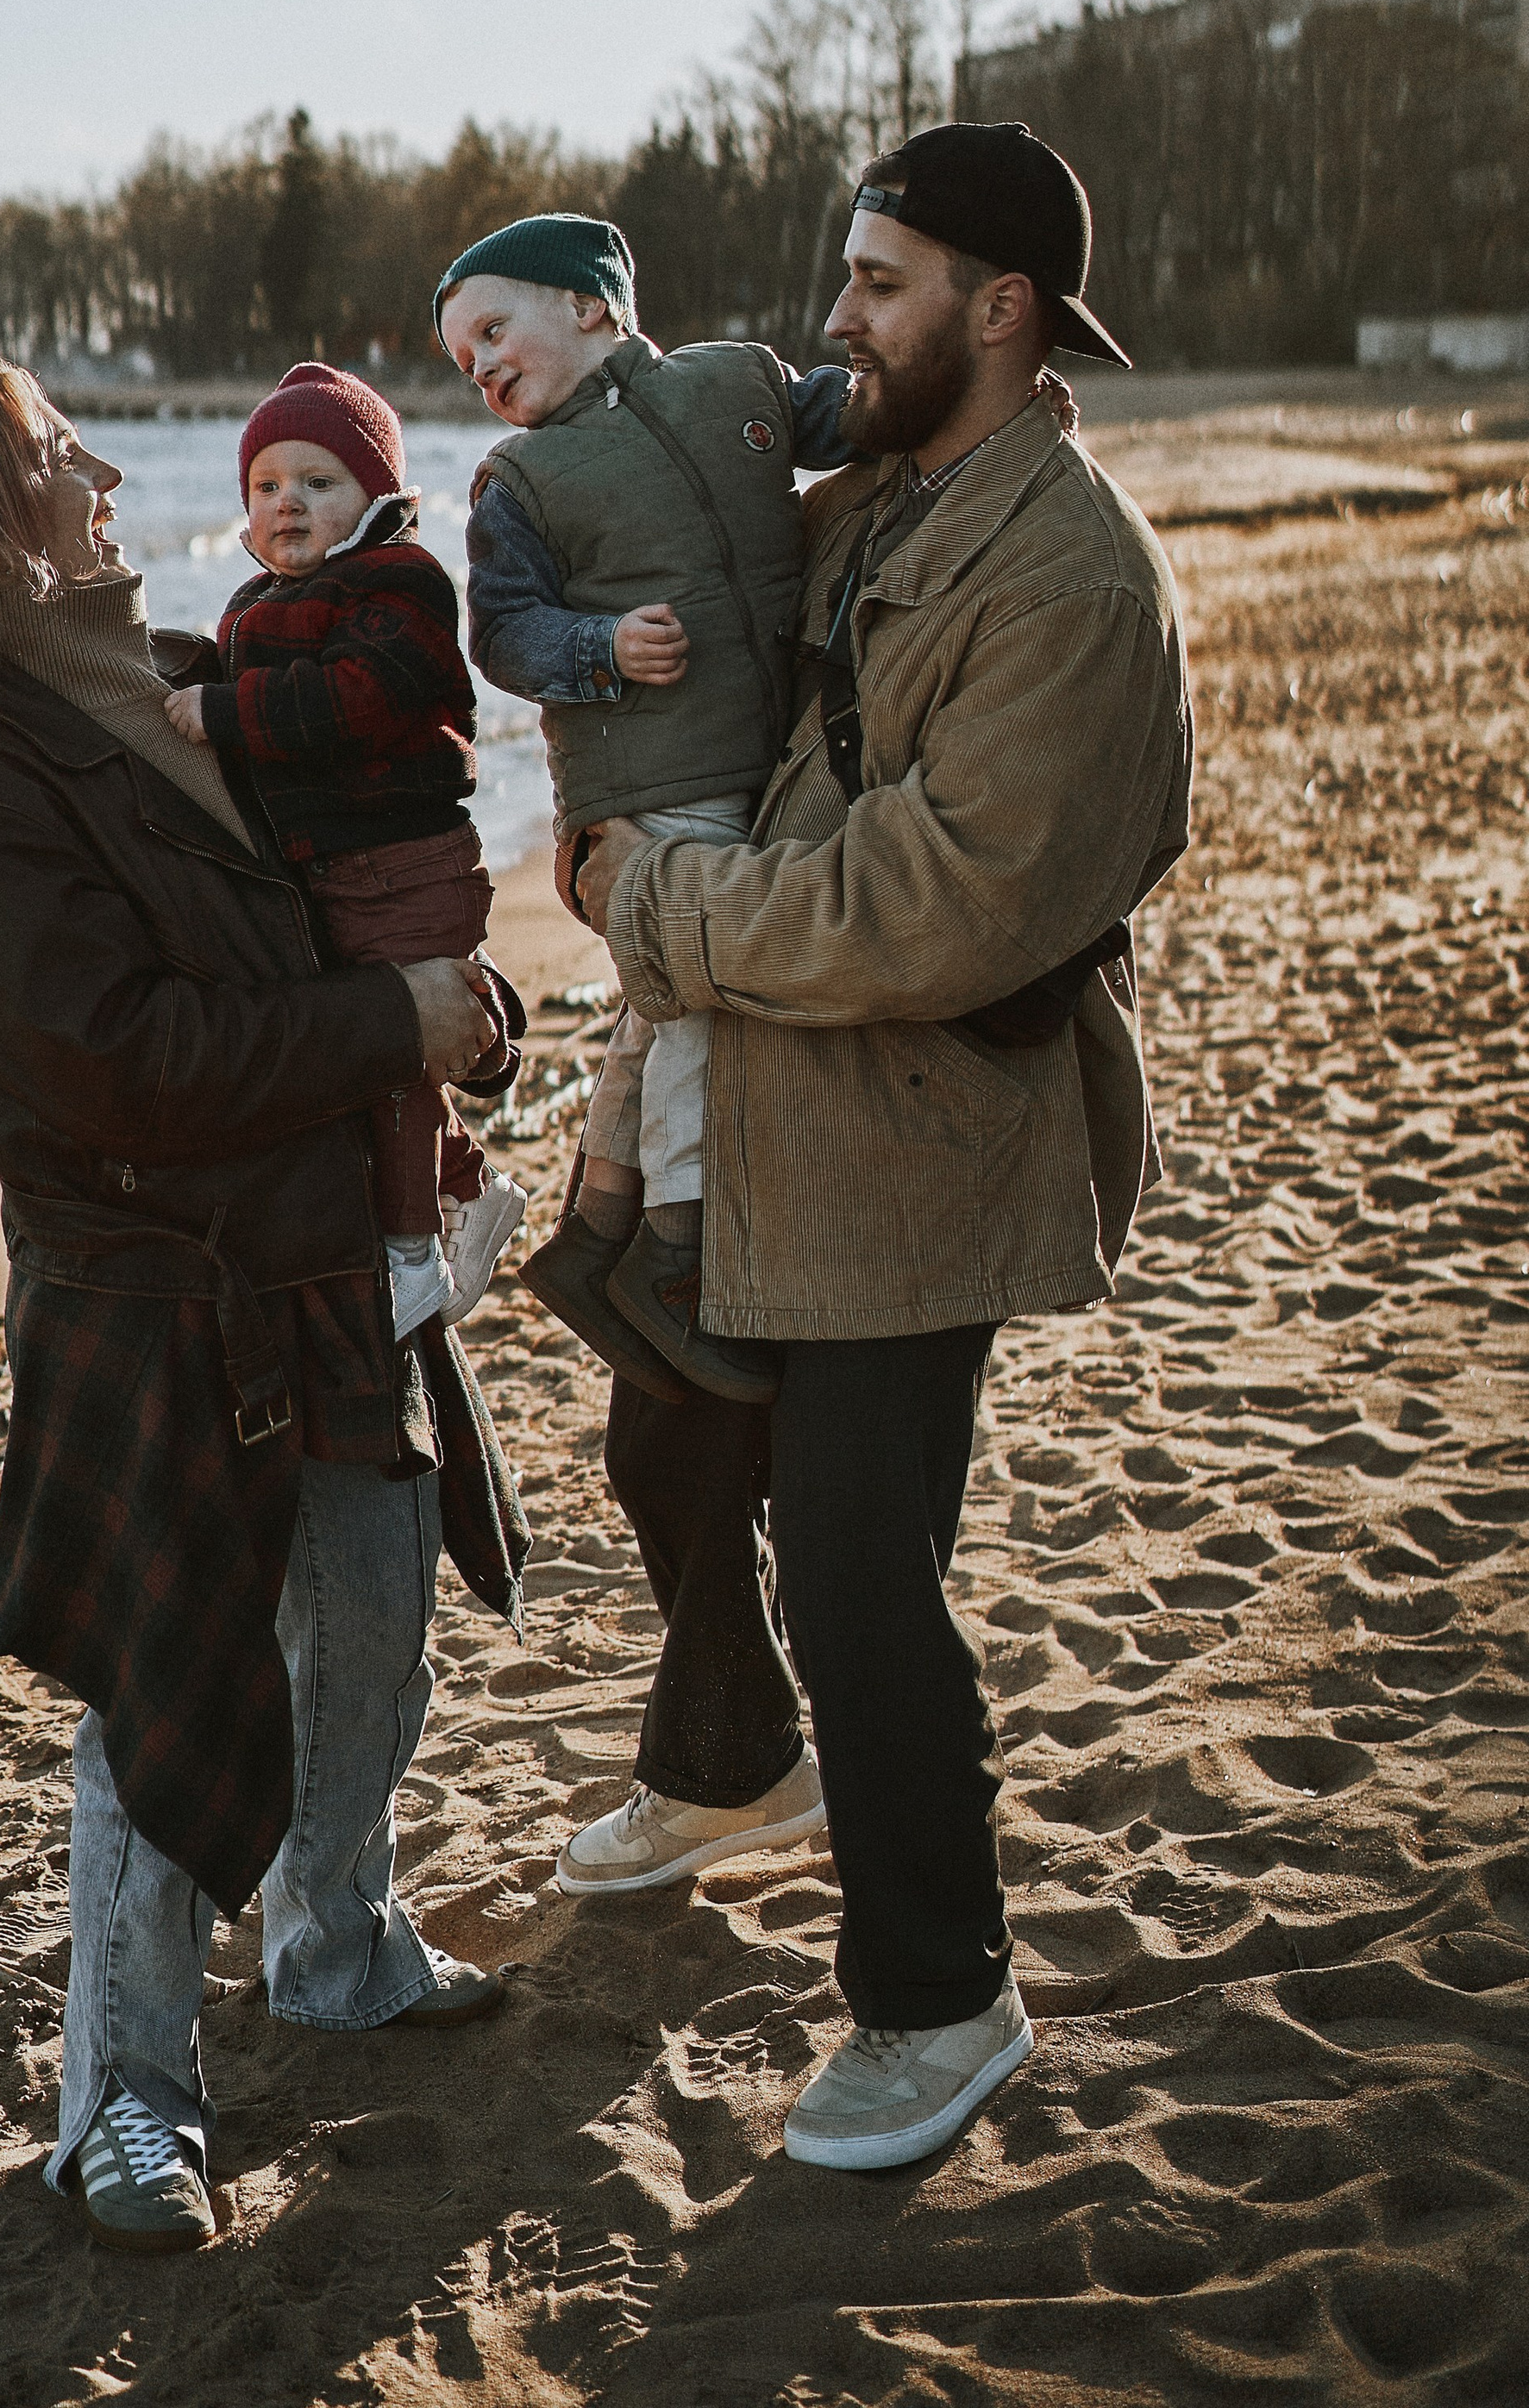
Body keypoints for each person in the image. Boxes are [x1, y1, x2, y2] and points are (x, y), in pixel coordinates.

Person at [0, 362, 529, 2257]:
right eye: (62, 456)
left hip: (332, 1255)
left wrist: (453, 1024)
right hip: (154, 1308)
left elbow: (358, 867)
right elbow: (120, 1068)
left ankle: (338, 1947)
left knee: (372, 1629)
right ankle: (126, 2096)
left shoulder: (199, 672)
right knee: (159, 1699)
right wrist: (391, 1024)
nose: (111, 470)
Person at [575, 122, 1194, 2173]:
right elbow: (717, 701)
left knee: (854, 1573)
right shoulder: (859, 505)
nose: (833, 317)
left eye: (873, 280)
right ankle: (727, 1761)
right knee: (665, 1437)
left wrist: (651, 906)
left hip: (922, 1139)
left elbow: (930, 905)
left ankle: (942, 1998)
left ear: (994, 305)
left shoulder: (1072, 572)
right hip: (757, 1098)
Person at [436, 214, 852, 1399]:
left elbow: (853, 415)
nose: (481, 367)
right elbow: (503, 633)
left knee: (661, 1007)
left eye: (493, 330)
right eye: (464, 362)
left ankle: (597, 1231)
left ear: (589, 305)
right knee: (707, 1006)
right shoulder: (520, 478)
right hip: (645, 784)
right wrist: (604, 646)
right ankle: (679, 1258)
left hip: (748, 765)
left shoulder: (739, 384)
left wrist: (998, 394)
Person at [163, 360, 529, 1328]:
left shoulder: (399, 582)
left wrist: (225, 710)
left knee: (396, 1049)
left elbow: (357, 700)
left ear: (379, 497)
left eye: (319, 484)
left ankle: (411, 1254)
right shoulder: (254, 602)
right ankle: (469, 1189)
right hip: (336, 871)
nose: (288, 505)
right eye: (266, 486)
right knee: (379, 1048)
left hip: (408, 861)